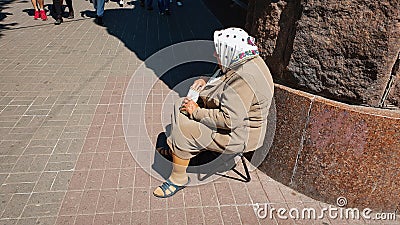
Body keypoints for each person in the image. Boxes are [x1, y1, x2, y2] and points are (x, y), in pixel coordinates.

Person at [153, 27, 274, 198]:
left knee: (185, 126)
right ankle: (179, 150)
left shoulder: (245, 78)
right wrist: (205, 80)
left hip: (238, 135)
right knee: (182, 105)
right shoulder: (246, 59)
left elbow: (229, 120)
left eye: (218, 52)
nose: (215, 56)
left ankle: (178, 177)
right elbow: (225, 77)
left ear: (229, 51)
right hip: (236, 123)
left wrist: (196, 112)